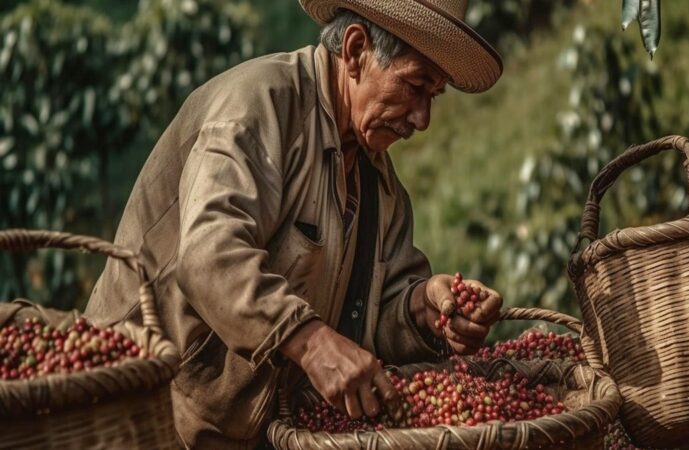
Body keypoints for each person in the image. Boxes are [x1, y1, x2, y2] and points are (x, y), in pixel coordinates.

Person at [85, 0, 504, 447]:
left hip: (251, 433)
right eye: (415, 85)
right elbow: (209, 254)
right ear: (356, 49)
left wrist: (424, 308)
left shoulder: (381, 187)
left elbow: (372, 320)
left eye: (433, 96)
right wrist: (311, 342)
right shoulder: (257, 107)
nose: (422, 118)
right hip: (139, 418)